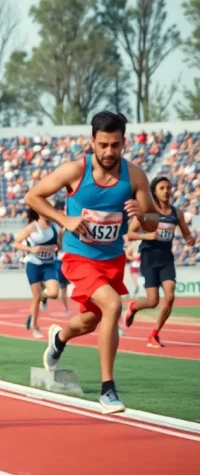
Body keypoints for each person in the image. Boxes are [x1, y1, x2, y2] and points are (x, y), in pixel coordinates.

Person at [24, 111, 158, 414]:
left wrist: (141, 214)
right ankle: (108, 389)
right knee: (113, 305)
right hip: (78, 257)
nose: (109, 152)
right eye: (102, 145)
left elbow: (152, 223)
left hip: (112, 260)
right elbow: (33, 196)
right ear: (92, 143)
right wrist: (64, 218)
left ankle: (59, 337)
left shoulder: (135, 176)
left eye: (115, 145)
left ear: (124, 142)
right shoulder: (74, 171)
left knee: (91, 320)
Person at [122, 176, 196, 347]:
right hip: (148, 258)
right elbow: (130, 234)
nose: (166, 191)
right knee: (152, 301)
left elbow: (186, 234)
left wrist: (189, 239)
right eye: (162, 188)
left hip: (166, 258)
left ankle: (154, 333)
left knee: (170, 296)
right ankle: (133, 307)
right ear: (154, 191)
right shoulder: (148, 211)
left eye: (168, 188)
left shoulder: (176, 213)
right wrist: (147, 235)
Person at [12, 208, 61, 339]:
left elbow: (59, 245)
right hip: (33, 264)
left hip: (49, 264)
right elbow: (15, 243)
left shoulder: (55, 226)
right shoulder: (33, 227)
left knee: (54, 293)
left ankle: (43, 296)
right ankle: (35, 326)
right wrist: (31, 249)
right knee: (35, 296)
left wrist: (55, 247)